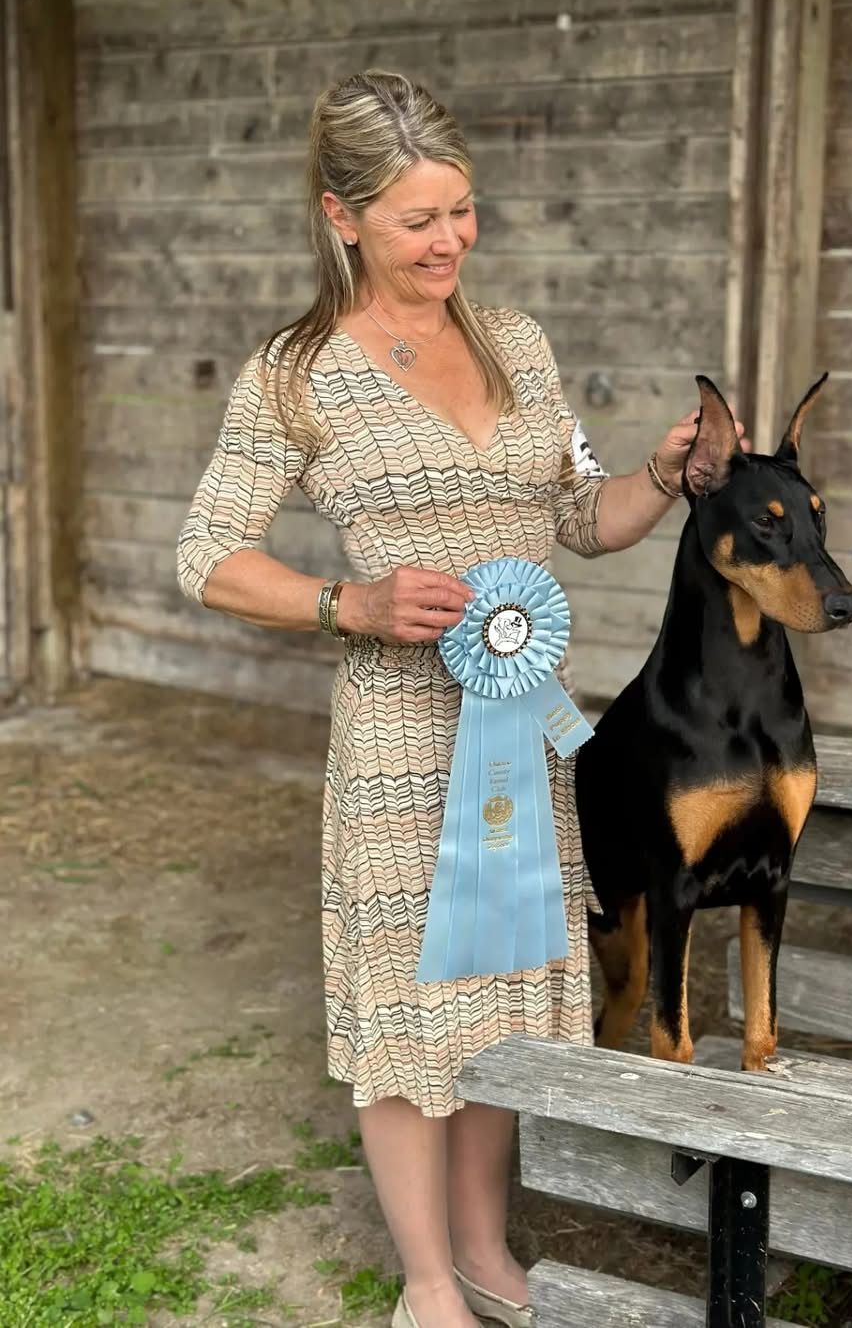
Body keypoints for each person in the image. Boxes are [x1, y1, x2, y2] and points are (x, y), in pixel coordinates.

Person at [176, 70, 745, 1328]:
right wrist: (349, 603)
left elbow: (582, 519)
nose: (451, 242)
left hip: (525, 732)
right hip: (400, 742)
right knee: (406, 1006)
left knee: (504, 989)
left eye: (463, 210)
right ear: (342, 216)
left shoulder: (516, 343)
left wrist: (661, 474)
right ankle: (427, 1284)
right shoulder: (294, 375)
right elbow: (208, 557)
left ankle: (486, 1251)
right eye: (418, 220)